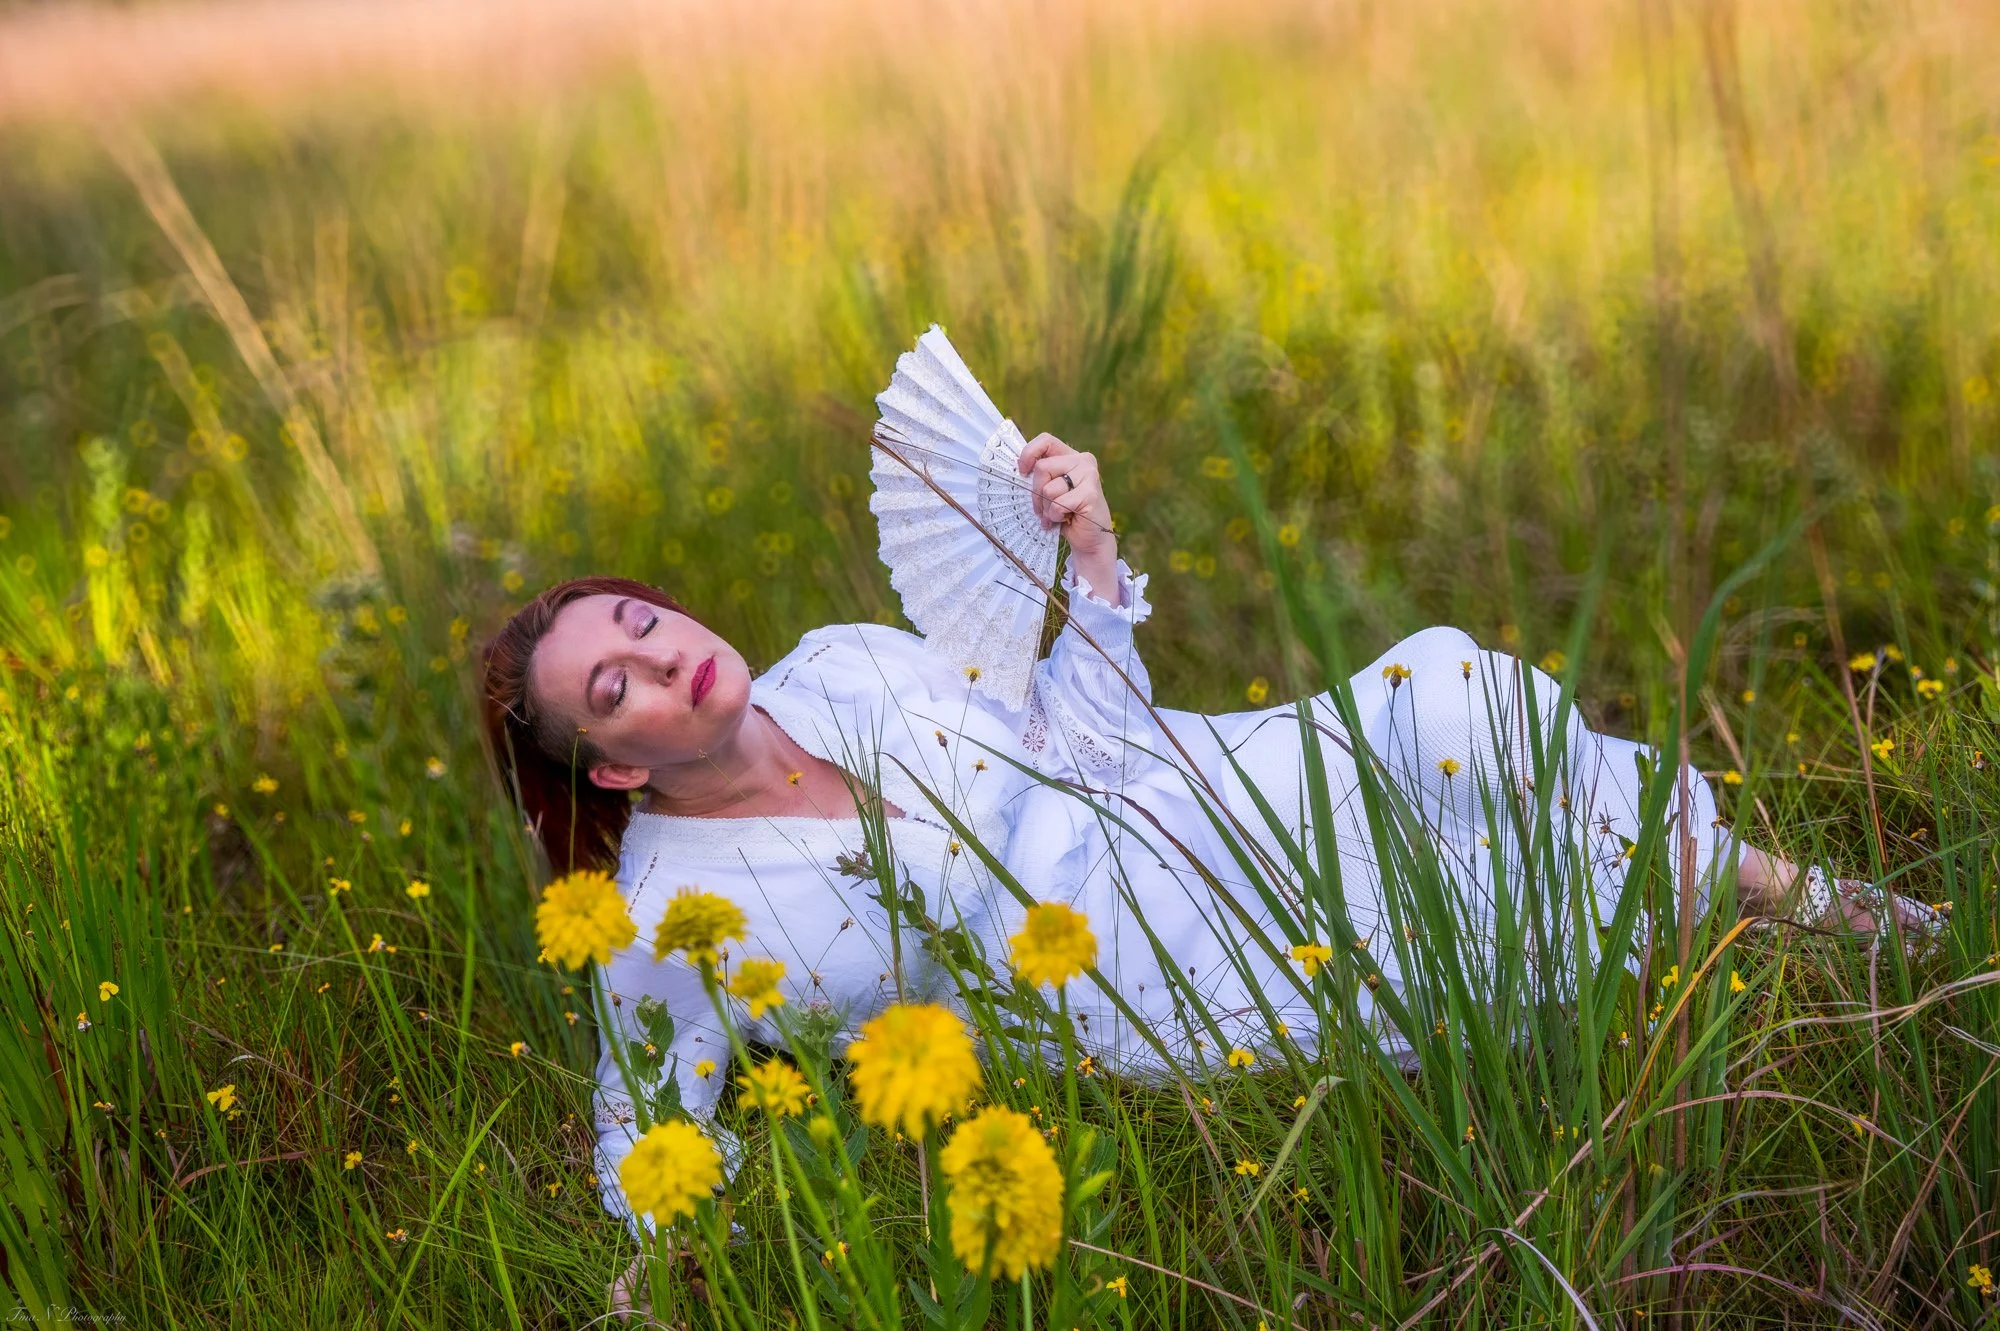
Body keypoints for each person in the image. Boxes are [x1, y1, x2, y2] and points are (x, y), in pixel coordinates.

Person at [480, 434, 1934, 1310]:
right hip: (1128, 970)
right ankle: (1770, 930)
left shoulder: (841, 664)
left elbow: (1085, 737)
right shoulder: (660, 914)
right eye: (613, 690)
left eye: (638, 621)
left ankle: (1811, 905)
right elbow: (636, 1107)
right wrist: (655, 1257)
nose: (661, 659)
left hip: (1175, 782)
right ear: (610, 768)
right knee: (1480, 893)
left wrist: (1094, 560)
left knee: (1443, 708)